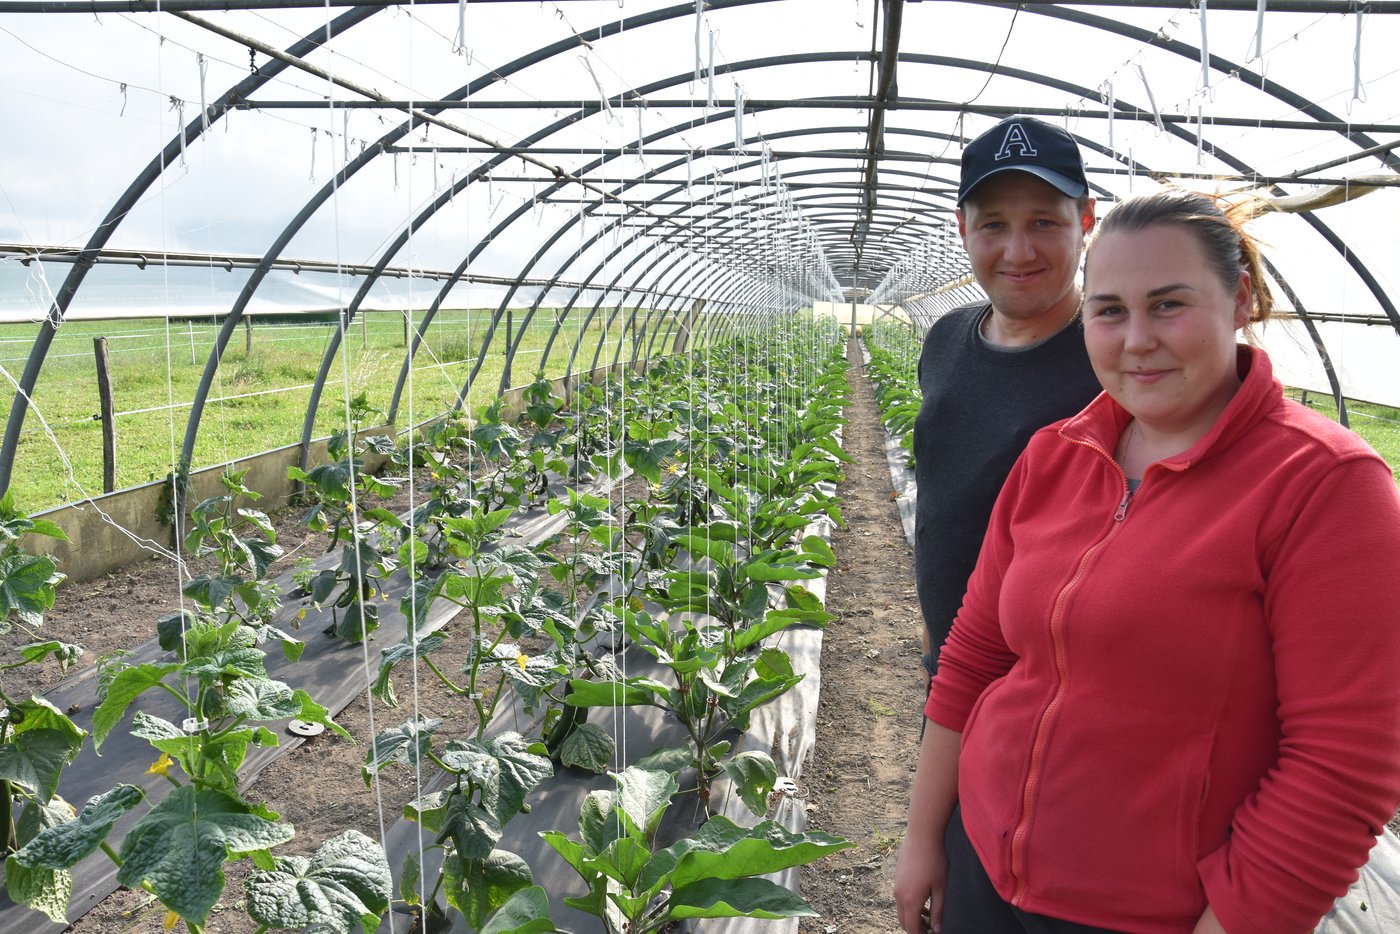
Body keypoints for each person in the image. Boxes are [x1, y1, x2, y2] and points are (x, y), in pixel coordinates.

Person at [893, 187, 1400, 934]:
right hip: (981, 870)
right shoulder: (1054, 457)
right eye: (1109, 310)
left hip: (1147, 915)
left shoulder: (1323, 484)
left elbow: (1341, 769)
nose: (1135, 339)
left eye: (1168, 305)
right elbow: (974, 655)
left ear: (1242, 302)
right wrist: (923, 836)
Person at [913, 115, 1102, 677]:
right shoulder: (946, 336)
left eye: (1044, 221)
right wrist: (931, 623)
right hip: (950, 668)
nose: (1018, 252)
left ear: (1086, 221)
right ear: (963, 228)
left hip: (1058, 690)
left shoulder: (1119, 363)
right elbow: (942, 499)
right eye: (993, 224)